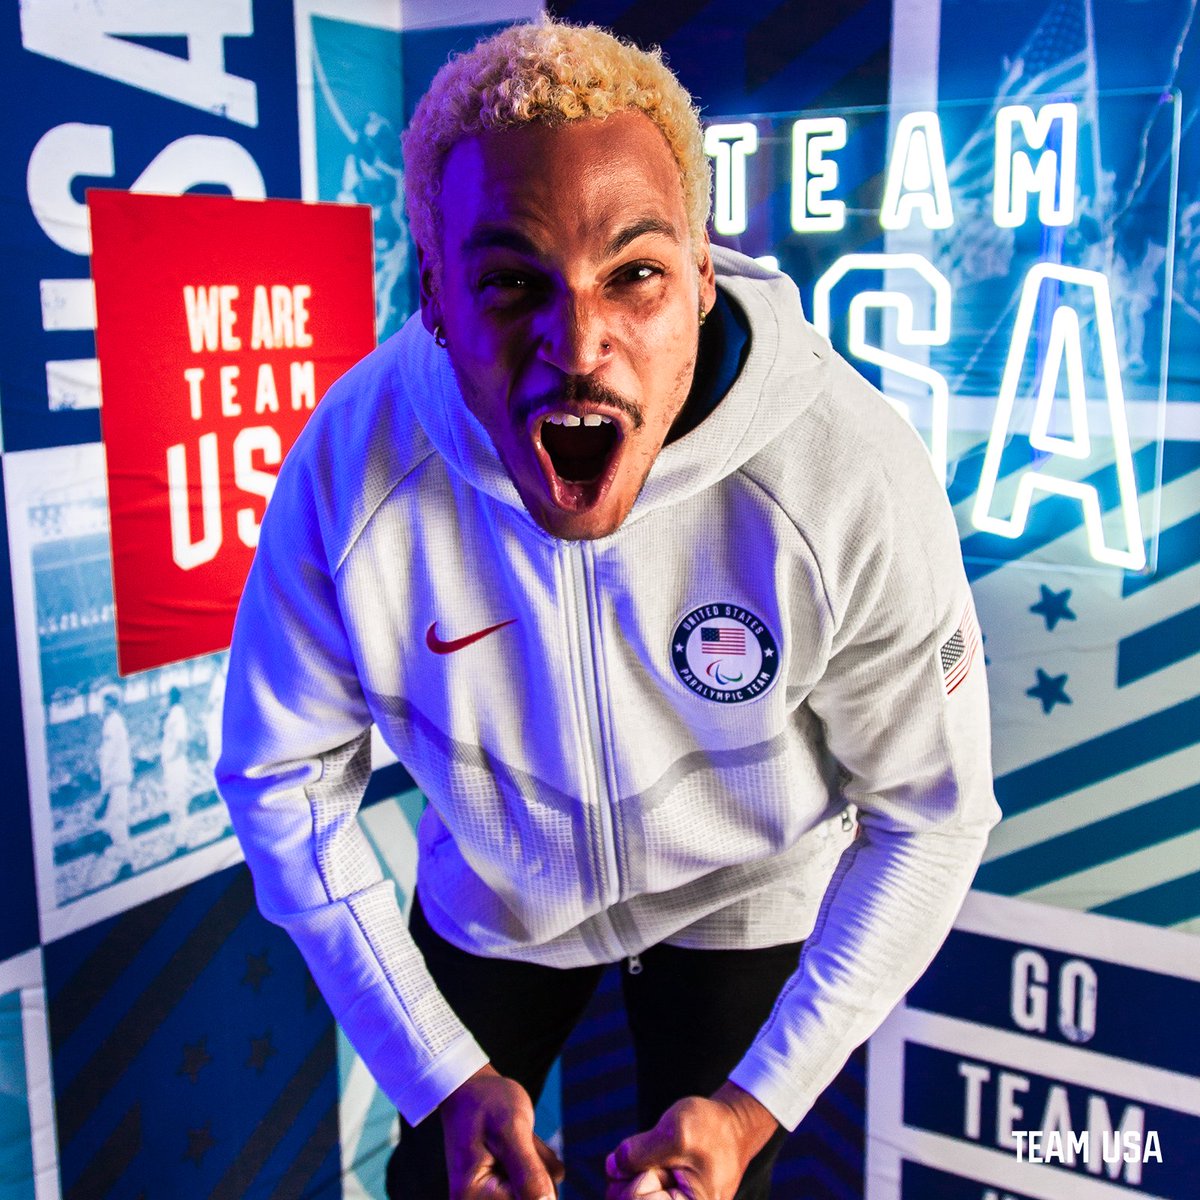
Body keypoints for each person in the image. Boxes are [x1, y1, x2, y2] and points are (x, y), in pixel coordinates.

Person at [217, 17, 999, 1200]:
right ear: (435, 297)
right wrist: (432, 1071)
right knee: (440, 1183)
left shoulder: (848, 469)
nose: (578, 345)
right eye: (511, 284)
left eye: (634, 273)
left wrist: (751, 1109)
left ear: (699, 273)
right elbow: (278, 777)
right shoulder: (355, 465)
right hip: (500, 894)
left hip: (747, 891)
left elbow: (932, 818)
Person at [96, 688, 132, 870]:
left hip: (115, 779)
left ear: (108, 703)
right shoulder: (115, 722)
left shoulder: (112, 723)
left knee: (117, 821)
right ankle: (124, 859)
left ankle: (126, 862)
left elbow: (108, 757)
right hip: (118, 779)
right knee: (115, 820)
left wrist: (105, 784)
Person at [161, 686, 190, 854]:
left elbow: (181, 741)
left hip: (176, 765)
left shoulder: (177, 713)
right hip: (172, 764)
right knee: (174, 804)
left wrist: (174, 759)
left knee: (178, 804)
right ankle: (180, 841)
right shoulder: (171, 714)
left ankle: (182, 842)